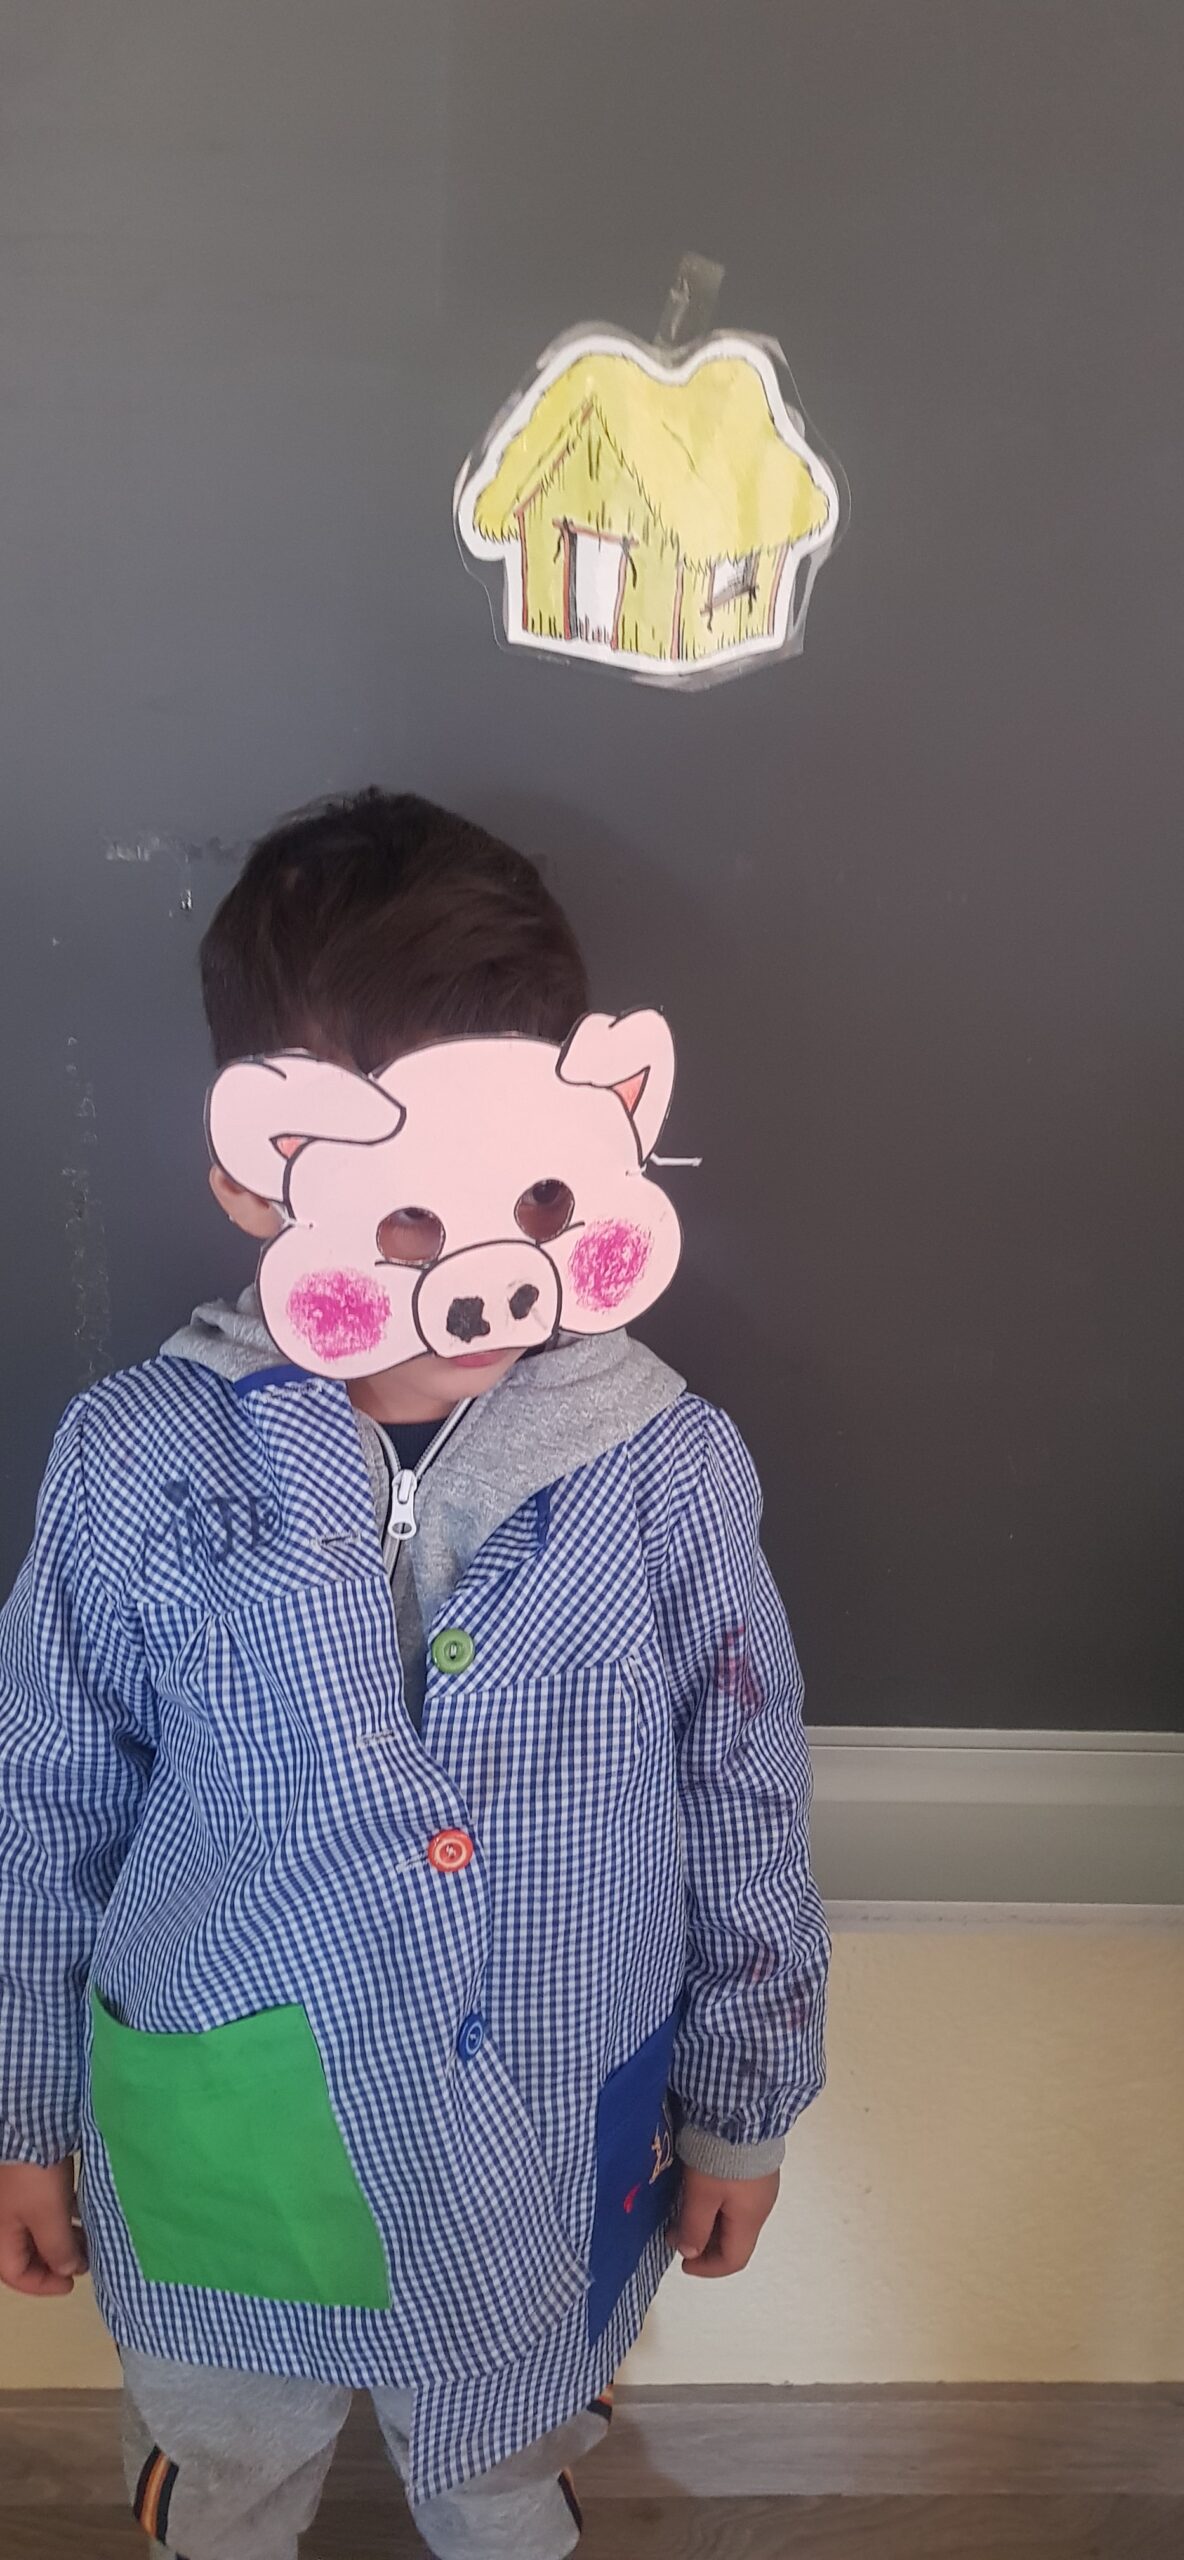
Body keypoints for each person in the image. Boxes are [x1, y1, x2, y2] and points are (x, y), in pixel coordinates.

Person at [0, 790, 829, 2560]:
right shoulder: (136, 1459)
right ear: (256, 1175)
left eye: (527, 1193)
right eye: (401, 1215)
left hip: (545, 2111)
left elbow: (745, 1799)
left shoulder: (669, 1469)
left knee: (504, 2454)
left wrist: (742, 2108)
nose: (472, 1271)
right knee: (227, 2453)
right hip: (230, 2111)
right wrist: (26, 2109)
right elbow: (45, 1800)